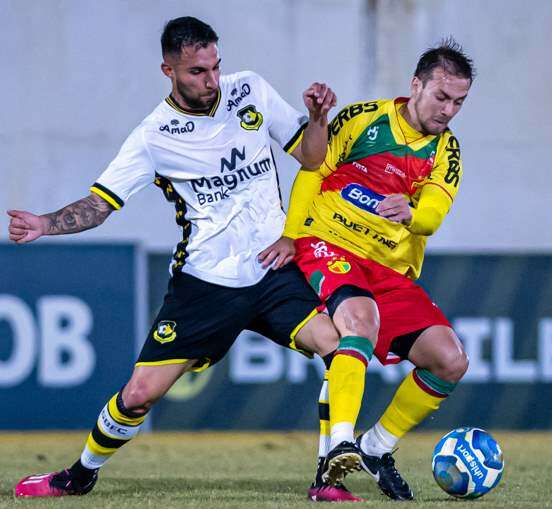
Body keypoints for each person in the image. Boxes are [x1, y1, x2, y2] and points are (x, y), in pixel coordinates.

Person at [9, 16, 365, 498]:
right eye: (197, 71)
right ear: (168, 70)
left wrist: (319, 119)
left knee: (341, 348)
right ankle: (79, 475)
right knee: (138, 396)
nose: (212, 80)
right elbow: (99, 204)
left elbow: (311, 158)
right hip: (206, 283)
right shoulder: (153, 136)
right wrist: (47, 223)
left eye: (216, 66)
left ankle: (328, 478)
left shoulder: (251, 91)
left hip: (273, 271)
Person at [281, 38, 475, 501]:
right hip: (330, 242)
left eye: (459, 102)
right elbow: (312, 170)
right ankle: (339, 446)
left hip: (390, 270)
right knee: (360, 322)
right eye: (442, 97)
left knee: (450, 360)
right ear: (416, 85)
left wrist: (411, 211)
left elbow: (432, 214)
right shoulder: (362, 118)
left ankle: (375, 447)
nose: (448, 110)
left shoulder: (445, 153)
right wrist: (291, 235)